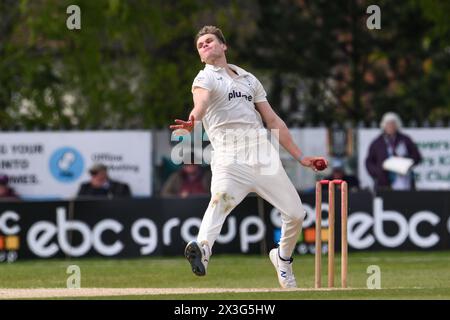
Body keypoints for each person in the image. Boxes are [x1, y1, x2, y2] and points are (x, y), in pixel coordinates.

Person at [169, 25, 328, 288]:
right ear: (200, 56)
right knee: (219, 202)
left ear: (223, 46)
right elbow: (201, 102)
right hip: (229, 159)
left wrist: (300, 157)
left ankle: (283, 259)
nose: (205, 46)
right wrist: (193, 120)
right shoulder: (204, 78)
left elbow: (273, 120)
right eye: (200, 45)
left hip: (262, 155)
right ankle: (203, 250)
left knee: (296, 214)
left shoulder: (248, 79)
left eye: (209, 41)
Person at [365, 112, 422, 190]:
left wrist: (405, 160)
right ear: (384, 125)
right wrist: (378, 172)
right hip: (384, 182)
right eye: (388, 124)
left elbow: (417, 157)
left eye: (393, 124)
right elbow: (369, 162)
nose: (390, 126)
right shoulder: (377, 142)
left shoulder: (405, 140)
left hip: (404, 179)